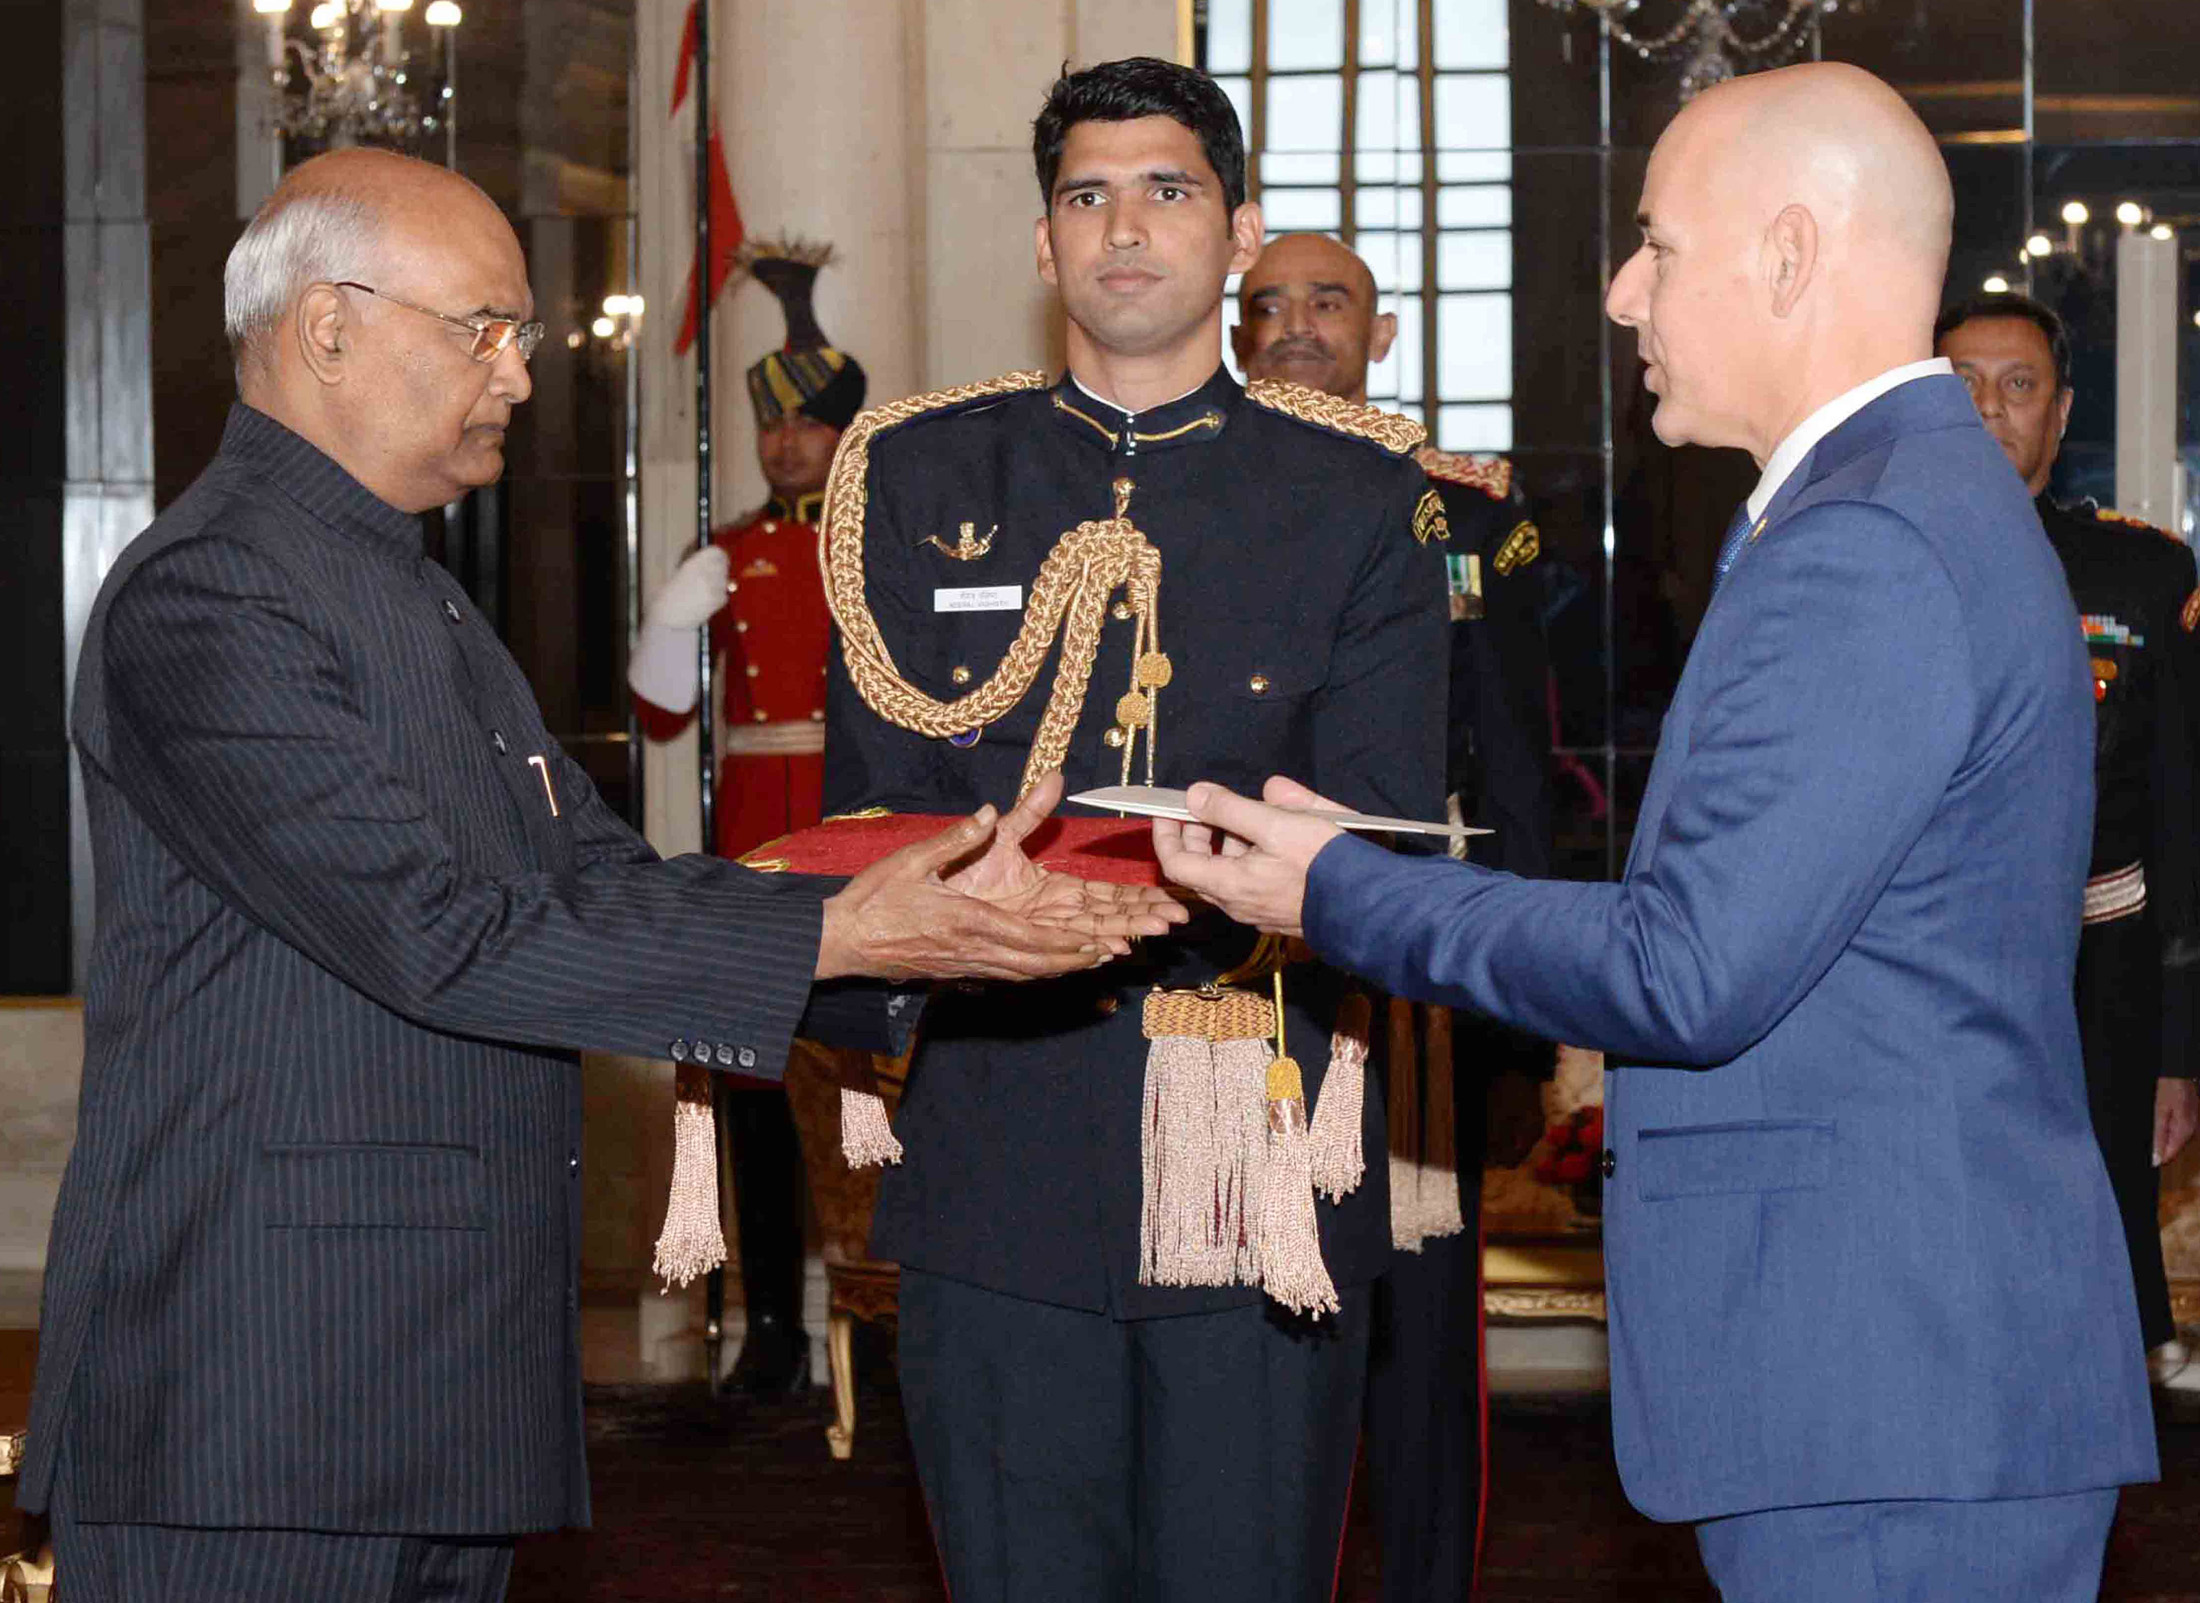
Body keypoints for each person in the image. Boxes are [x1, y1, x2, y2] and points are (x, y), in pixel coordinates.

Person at [20, 147, 1181, 1603]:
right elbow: (435, 934)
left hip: (424, 1390)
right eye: (483, 329)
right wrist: (842, 931)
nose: (516, 373)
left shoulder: (417, 591)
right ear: (327, 327)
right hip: (258, 1396)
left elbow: (600, 879)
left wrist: (908, 926)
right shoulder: (214, 591)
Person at [1155, 62, 2158, 1601]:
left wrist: (1337, 887)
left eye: (1657, 246)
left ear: (1790, 252)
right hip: (1900, 1371)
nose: (1624, 292)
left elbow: (1690, 962)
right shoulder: (1889, 502)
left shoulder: (1871, 539)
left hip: (1885, 1389)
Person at [819, 58, 1447, 1603]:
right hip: (997, 1133)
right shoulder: (914, 473)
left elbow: (1383, 843)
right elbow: (876, 809)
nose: (1124, 230)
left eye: (1168, 190)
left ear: (1235, 233)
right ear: (1043, 244)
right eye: (1086, 196)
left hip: (1253, 1130)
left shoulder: (1363, 497)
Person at [1232, 230, 1553, 1603]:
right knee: (1246, 1306)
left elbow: (1524, 759)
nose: (1296, 325)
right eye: (1268, 304)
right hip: (1233, 970)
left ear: (1385, 330)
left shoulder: (1472, 520)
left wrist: (1531, 1005)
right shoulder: (1193, 495)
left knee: (1421, 1314)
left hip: (1415, 965)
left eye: (1328, 301)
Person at [1937, 290, 2200, 1365]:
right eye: (1960, 387)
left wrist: (2178, 1048)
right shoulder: (1858, 557)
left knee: (2088, 1284)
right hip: (1923, 975)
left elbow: (2182, 813)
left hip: (2097, 981)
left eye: (2019, 386)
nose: (1991, 411)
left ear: (2061, 412)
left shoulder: (2140, 573)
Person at [628, 241, 870, 1398]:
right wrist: (672, 623)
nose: (784, 446)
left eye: (806, 428)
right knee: (759, 1095)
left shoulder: (878, 546)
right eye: (771, 428)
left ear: (842, 434)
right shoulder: (724, 553)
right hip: (753, 858)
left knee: (865, 1092)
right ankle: (770, 1325)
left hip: (854, 842)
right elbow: (662, 717)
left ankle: (877, 1312)